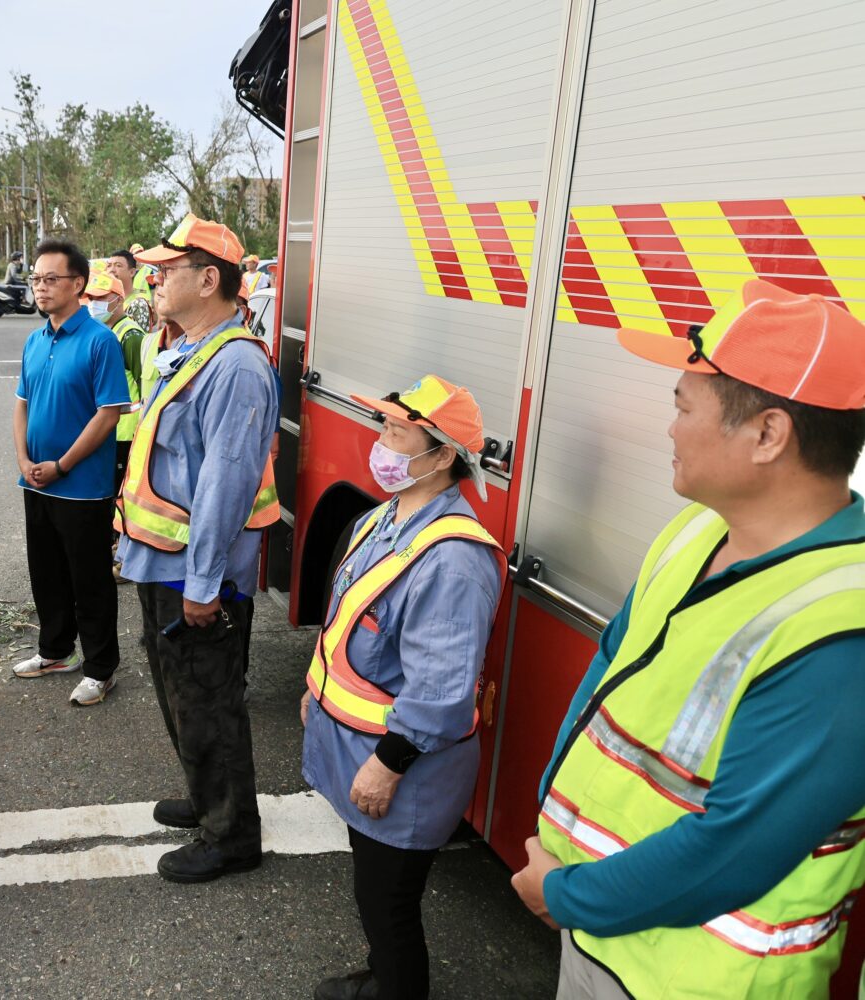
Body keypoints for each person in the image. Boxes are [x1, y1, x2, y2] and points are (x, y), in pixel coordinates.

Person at [511, 280, 865, 999]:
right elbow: (606, 680)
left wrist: (568, 895)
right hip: (606, 935)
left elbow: (735, 851)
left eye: (682, 405)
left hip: (702, 980)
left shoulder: (843, 631)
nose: (668, 427)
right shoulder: (698, 531)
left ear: (768, 434)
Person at [303, 376, 505, 1000]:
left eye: (396, 432)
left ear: (443, 454)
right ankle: (381, 978)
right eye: (384, 426)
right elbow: (349, 622)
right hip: (360, 747)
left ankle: (395, 986)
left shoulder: (452, 558)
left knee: (390, 906)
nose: (380, 442)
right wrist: (318, 688)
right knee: (374, 891)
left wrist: (388, 766)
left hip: (403, 768)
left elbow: (441, 692)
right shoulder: (388, 516)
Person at [111, 215, 279, 882]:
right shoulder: (192, 347)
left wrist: (204, 584)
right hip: (165, 564)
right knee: (179, 689)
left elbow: (225, 486)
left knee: (208, 698)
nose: (151, 277)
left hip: (196, 578)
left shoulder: (235, 364)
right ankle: (206, 792)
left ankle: (231, 835)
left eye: (166, 270)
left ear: (209, 280)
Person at [10, 239, 129, 706]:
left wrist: (62, 465)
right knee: (46, 572)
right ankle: (56, 650)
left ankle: (101, 667)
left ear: (78, 284)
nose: (40, 287)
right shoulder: (34, 341)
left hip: (80, 486)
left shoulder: (100, 341)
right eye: (36, 279)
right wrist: (23, 461)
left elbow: (108, 413)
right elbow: (21, 404)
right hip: (35, 481)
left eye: (50, 278)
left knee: (90, 580)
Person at [82, 271, 144, 495]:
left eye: (101, 298)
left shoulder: (131, 336)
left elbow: (144, 383)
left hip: (125, 433)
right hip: (107, 429)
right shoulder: (106, 331)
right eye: (91, 299)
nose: (94, 304)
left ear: (119, 300)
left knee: (118, 492)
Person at [105, 249, 152, 331]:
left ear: (132, 272)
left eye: (118, 265)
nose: (111, 270)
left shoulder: (138, 305)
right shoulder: (104, 301)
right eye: (109, 266)